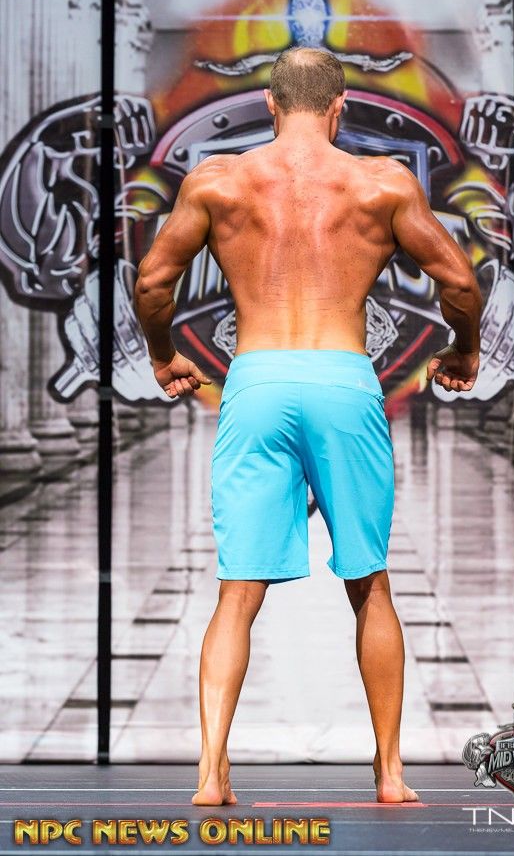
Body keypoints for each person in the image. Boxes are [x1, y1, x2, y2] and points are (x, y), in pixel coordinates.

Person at [134, 46, 482, 806]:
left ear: (269, 103)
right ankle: (390, 774)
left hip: (257, 381)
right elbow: (458, 280)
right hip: (342, 381)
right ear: (338, 107)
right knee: (370, 583)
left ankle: (211, 774)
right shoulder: (381, 183)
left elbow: (154, 281)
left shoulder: (217, 182)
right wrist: (464, 349)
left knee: (236, 591)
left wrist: (163, 357)